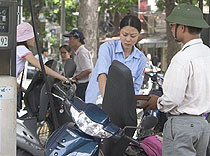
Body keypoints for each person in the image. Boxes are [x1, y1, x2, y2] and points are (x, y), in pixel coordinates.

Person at [142, 3, 210, 156]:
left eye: (173, 26)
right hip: (203, 125)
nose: (172, 30)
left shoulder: (182, 58)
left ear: (182, 28)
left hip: (182, 126)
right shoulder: (207, 53)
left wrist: (157, 102)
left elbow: (172, 99)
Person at [85, 15, 147, 104]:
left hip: (121, 107)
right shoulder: (107, 48)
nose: (128, 39)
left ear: (138, 35)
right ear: (119, 32)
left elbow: (135, 87)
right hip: (97, 103)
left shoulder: (141, 58)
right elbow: (102, 75)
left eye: (133, 36)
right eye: (124, 35)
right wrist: (107, 102)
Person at [63, 29, 93, 101]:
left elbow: (88, 69)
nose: (69, 41)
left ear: (78, 39)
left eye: (71, 39)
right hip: (81, 85)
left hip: (84, 86)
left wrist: (76, 78)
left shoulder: (82, 53)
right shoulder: (78, 53)